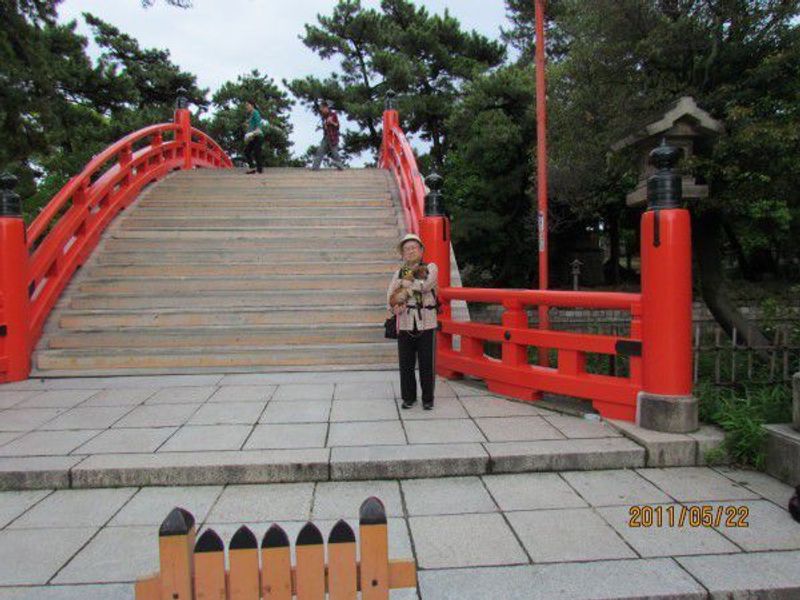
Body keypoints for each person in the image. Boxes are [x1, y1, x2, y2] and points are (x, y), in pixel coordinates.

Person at [386, 233, 439, 410]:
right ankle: (408, 397)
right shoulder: (399, 272)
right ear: (402, 253)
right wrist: (394, 307)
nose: (410, 251)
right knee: (406, 363)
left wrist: (406, 286)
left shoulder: (431, 267)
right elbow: (390, 296)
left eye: (413, 248)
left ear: (421, 250)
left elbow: (427, 285)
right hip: (405, 321)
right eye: (406, 249)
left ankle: (428, 399)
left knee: (427, 363)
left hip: (427, 322)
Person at [311, 101, 345, 171]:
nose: (321, 110)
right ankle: (315, 168)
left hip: (333, 137)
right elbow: (325, 127)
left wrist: (331, 122)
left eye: (322, 109)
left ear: (326, 108)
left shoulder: (333, 115)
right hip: (326, 137)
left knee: (335, 153)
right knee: (320, 151)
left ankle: (340, 167)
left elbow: (337, 126)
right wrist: (325, 126)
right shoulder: (324, 116)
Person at [243, 100, 264, 174]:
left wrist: (251, 133)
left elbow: (259, 128)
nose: (246, 107)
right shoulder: (251, 115)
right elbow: (251, 126)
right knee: (247, 151)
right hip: (253, 137)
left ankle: (259, 170)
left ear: (252, 105)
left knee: (257, 152)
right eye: (246, 105)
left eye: (248, 105)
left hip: (258, 136)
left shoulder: (256, 113)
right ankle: (252, 168)